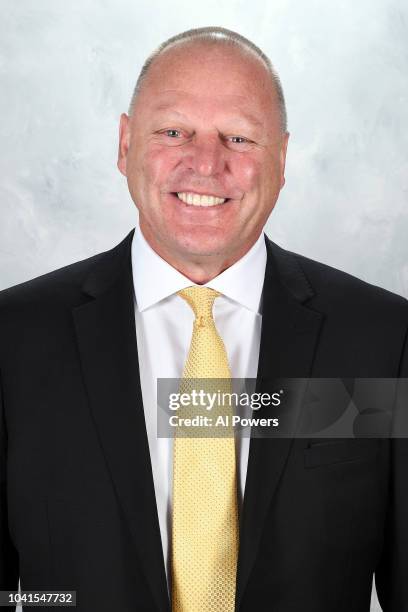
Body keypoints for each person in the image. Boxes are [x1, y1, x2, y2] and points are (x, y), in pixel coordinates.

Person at [0, 26, 407, 612]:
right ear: (124, 144)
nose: (205, 163)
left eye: (239, 137)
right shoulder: (14, 341)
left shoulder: (383, 342)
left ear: (283, 158)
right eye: (173, 132)